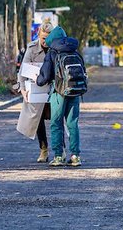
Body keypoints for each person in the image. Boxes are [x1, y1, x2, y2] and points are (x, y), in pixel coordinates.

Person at [36, 25, 82, 167]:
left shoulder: (52, 52)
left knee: (56, 123)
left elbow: (44, 76)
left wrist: (38, 80)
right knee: (72, 123)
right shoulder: (74, 50)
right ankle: (75, 156)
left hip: (59, 92)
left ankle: (58, 156)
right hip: (75, 91)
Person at [16, 21, 53, 162]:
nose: (45, 42)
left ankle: (59, 151)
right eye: (43, 38)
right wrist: (23, 89)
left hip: (53, 89)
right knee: (37, 119)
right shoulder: (31, 49)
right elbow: (23, 71)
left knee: (57, 119)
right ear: (38, 35)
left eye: (48, 39)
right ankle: (43, 149)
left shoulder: (56, 48)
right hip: (36, 89)